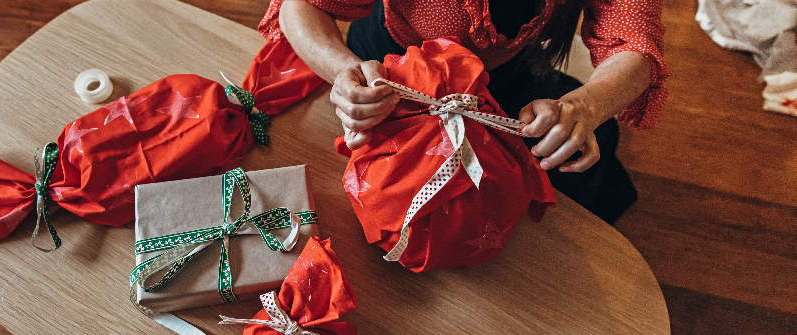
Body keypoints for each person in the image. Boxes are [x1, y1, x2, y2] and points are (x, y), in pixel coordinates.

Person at [258, 0, 669, 223]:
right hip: (389, 72)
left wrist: (586, 107)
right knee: (388, 202)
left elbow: (634, 42)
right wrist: (342, 72)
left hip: (503, 81)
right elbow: (305, 5)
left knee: (542, 184)